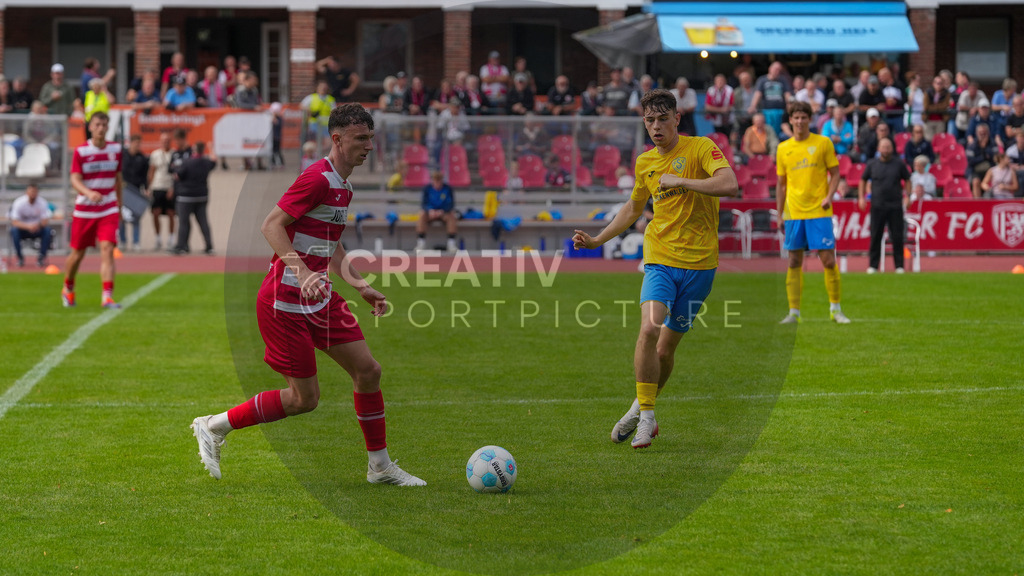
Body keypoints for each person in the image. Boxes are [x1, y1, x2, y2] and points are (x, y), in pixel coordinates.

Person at [190, 103, 426, 487]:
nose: (368, 146)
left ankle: (380, 467)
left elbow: (330, 244)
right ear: (337, 139)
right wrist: (301, 273)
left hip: (320, 298)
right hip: (285, 302)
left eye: (371, 137)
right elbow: (271, 226)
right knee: (304, 400)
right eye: (360, 138)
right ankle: (214, 426)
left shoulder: (343, 185)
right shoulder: (317, 178)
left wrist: (362, 287)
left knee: (368, 371)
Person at [571, 88, 738, 449]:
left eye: (664, 118)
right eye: (650, 120)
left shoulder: (700, 148)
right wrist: (598, 240)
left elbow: (730, 184)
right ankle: (648, 418)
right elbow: (633, 209)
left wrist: (682, 181)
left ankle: (638, 408)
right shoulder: (645, 162)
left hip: (700, 266)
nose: (657, 126)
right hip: (660, 258)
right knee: (649, 329)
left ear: (677, 118)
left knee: (665, 351)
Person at [776, 101, 850, 324]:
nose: (799, 121)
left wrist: (829, 196)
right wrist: (780, 214)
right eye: (796, 117)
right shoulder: (783, 149)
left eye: (803, 117)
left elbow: (835, 174)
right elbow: (781, 185)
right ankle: (793, 313)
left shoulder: (823, 143)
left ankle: (836, 309)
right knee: (793, 262)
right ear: (790, 120)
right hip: (794, 213)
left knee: (828, 260)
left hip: (819, 210)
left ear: (810, 119)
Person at [62, 112, 122, 309]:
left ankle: (107, 296)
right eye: (97, 125)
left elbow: (118, 180)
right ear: (90, 127)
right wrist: (88, 192)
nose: (101, 128)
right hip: (85, 210)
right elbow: (74, 179)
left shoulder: (116, 149)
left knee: (107, 249)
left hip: (108, 208)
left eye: (105, 125)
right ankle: (68, 288)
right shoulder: (81, 151)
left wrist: (119, 207)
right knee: (77, 254)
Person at [859, 137, 911, 273]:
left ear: (892, 149)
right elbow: (862, 180)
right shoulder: (872, 164)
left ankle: (899, 266)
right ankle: (873, 266)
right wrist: (861, 198)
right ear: (878, 148)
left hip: (895, 206)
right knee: (875, 236)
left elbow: (908, 180)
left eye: (888, 147)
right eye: (883, 147)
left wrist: (908, 196)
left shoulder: (899, 164)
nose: (886, 149)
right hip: (877, 206)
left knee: (897, 237)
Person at [171, 141, 216, 255]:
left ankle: (181, 246)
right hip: (201, 196)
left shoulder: (187, 162)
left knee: (183, 222)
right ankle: (209, 246)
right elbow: (214, 160)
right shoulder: (206, 162)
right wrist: (211, 148)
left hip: (186, 196)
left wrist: (175, 171)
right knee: (203, 222)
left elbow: (178, 176)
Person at [8, 183, 52, 268]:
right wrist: (28, 226)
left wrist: (37, 226)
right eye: (31, 191)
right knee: (14, 230)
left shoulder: (42, 202)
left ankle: (41, 258)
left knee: (47, 230)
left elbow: (45, 220)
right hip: (23, 229)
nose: (33, 194)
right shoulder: (19, 202)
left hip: (37, 229)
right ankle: (20, 258)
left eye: (35, 192)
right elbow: (14, 221)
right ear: (26, 192)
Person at [415, 170, 458, 253]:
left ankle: (451, 243)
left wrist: (442, 211)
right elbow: (424, 203)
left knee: (452, 216)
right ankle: (421, 243)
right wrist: (430, 210)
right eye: (435, 180)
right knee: (421, 215)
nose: (437, 183)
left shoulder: (448, 189)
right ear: (432, 180)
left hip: (443, 213)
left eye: (439, 181)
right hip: (430, 213)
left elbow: (451, 204)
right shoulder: (427, 189)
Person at [120, 134, 149, 252]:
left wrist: (146, 188)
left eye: (139, 143)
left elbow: (144, 176)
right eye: (135, 143)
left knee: (136, 217)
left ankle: (136, 242)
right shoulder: (123, 155)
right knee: (122, 216)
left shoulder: (142, 158)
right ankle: (122, 241)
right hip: (124, 189)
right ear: (130, 143)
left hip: (136, 190)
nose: (137, 146)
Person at [147, 132, 176, 251]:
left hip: (169, 186)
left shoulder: (174, 154)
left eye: (168, 140)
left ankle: (171, 238)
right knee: (156, 212)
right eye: (163, 140)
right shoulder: (155, 154)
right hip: (157, 186)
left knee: (171, 213)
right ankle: (158, 238)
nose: (165, 142)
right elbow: (152, 171)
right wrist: (149, 187)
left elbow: (176, 173)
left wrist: (173, 188)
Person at [748, 62, 792, 136]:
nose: (777, 72)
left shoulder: (783, 80)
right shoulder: (762, 80)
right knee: (767, 131)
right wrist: (753, 106)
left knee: (779, 131)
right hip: (766, 111)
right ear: (770, 69)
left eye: (779, 70)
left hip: (780, 111)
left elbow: (787, 94)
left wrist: (789, 104)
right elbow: (758, 94)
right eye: (775, 69)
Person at [967, 123, 999, 196]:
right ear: (977, 133)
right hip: (976, 170)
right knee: (976, 182)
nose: (982, 135)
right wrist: (984, 157)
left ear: (988, 133)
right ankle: (977, 205)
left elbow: (995, 159)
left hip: (990, 170)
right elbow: (971, 162)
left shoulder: (993, 144)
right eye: (980, 133)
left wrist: (985, 150)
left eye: (984, 133)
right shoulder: (972, 145)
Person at [301, 80, 336, 146]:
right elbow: (302, 106)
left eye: (324, 87)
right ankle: (316, 154)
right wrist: (309, 110)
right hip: (314, 123)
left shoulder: (330, 99)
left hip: (326, 124)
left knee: (328, 143)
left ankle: (321, 154)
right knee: (314, 142)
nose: (323, 88)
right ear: (317, 87)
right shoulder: (311, 97)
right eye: (321, 87)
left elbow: (333, 111)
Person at [923, 75, 951, 140]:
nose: (938, 85)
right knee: (929, 139)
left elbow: (945, 105)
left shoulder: (946, 93)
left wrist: (933, 107)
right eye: (937, 83)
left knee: (939, 140)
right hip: (928, 119)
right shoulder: (928, 92)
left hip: (941, 120)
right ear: (933, 84)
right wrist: (939, 107)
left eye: (940, 83)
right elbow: (926, 106)